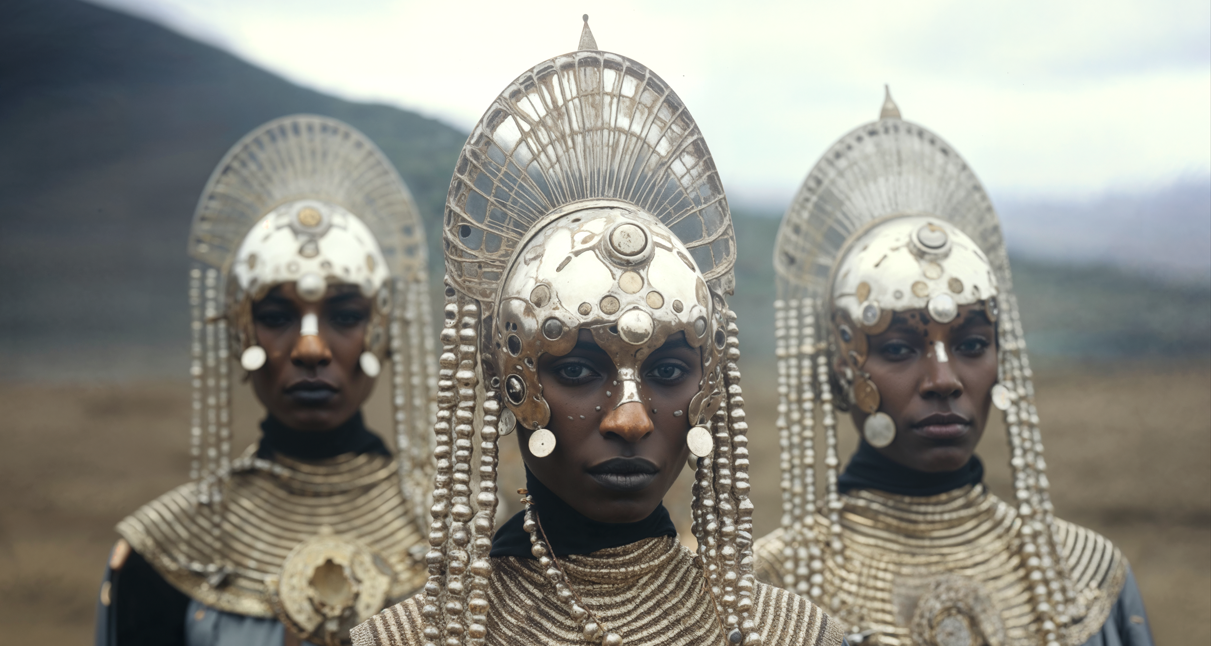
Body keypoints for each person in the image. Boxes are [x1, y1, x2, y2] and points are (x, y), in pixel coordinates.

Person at [351, 17, 846, 646]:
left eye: (668, 372)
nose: (631, 421)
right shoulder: (408, 639)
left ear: (709, 386)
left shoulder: (791, 635)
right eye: (579, 371)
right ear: (510, 384)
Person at [751, 89, 1154, 646]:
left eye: (970, 345)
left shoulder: (1087, 578)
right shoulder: (767, 593)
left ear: (1001, 356)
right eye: (897, 350)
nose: (944, 381)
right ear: (841, 371)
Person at [95, 115, 438, 646]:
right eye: (277, 316)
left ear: (382, 334)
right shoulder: (164, 550)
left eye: (345, 315)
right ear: (239, 335)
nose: (310, 349)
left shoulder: (460, 537)